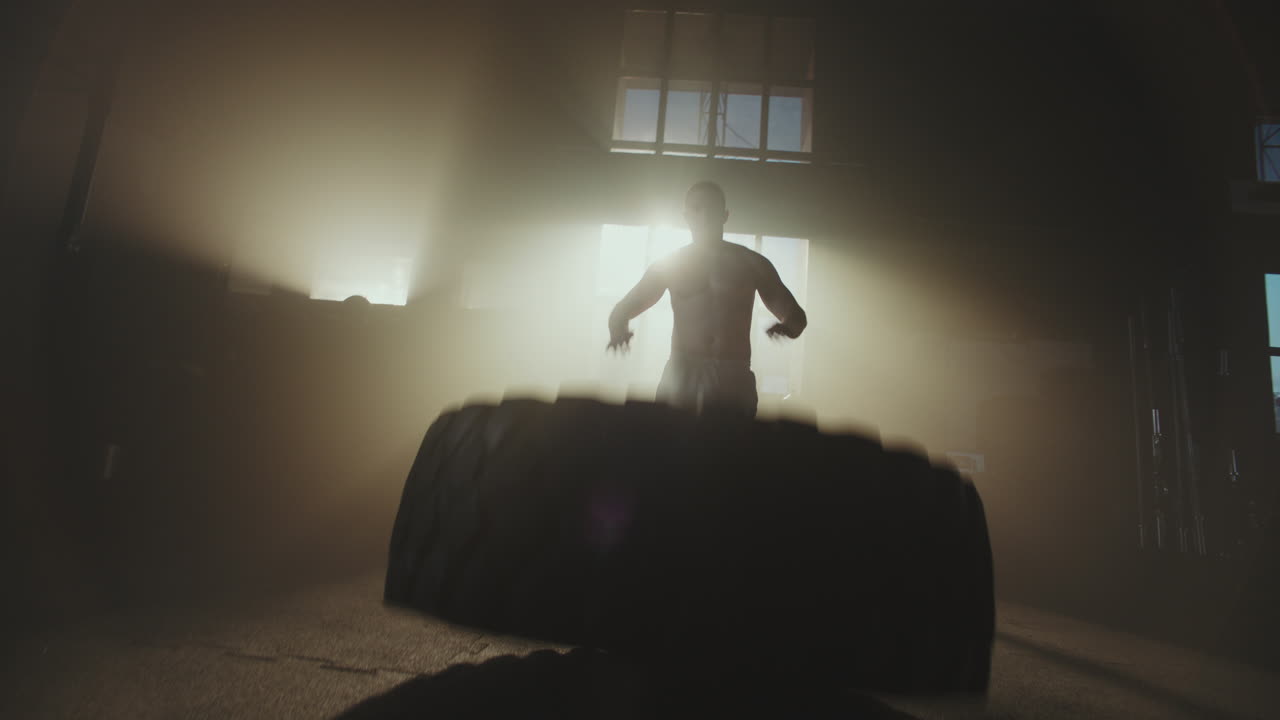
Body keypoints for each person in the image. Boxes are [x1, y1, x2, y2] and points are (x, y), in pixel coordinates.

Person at [606, 181, 807, 418]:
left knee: (729, 451)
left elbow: (796, 316)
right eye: (696, 208)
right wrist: (618, 330)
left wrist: (787, 327)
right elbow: (622, 310)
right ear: (686, 216)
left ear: (724, 215)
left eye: (710, 208)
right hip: (683, 372)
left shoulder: (752, 264)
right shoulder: (669, 265)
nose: (703, 215)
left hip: (733, 373)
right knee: (674, 448)